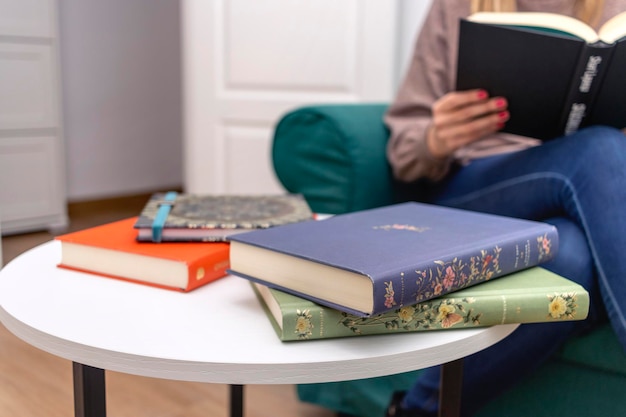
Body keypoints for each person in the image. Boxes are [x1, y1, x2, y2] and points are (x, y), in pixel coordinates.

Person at [384, 0, 626, 416]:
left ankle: (417, 409)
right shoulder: (456, 6)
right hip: (478, 191)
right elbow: (404, 150)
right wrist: (436, 138)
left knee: (570, 258)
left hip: (585, 202)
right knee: (599, 150)